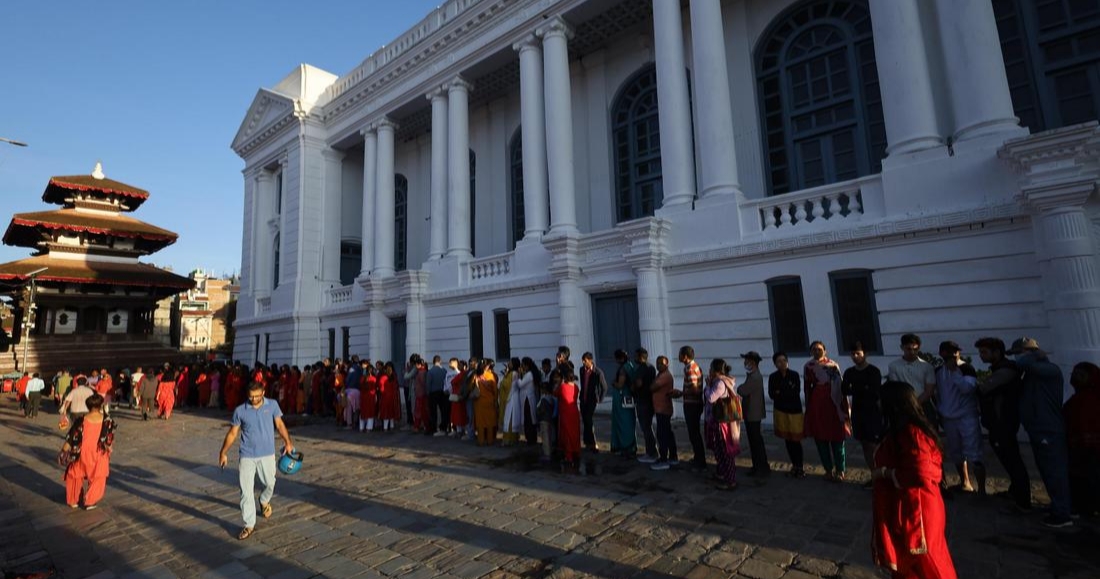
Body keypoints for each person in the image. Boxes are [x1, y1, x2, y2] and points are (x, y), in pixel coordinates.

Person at [871, 381, 957, 579]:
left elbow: (922, 472)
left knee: (929, 564)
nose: (877, 404)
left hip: (916, 509)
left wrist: (885, 473)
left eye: (880, 400)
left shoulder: (913, 433)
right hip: (904, 504)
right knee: (910, 567)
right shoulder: (901, 429)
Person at [218, 382, 295, 541]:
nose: (254, 399)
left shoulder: (272, 405)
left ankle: (264, 500)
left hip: (267, 454)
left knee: (270, 483)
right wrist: (223, 452)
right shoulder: (240, 410)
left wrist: (287, 442)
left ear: (263, 393)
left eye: (257, 396)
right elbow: (233, 433)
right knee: (245, 491)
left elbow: (279, 424)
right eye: (251, 396)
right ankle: (249, 524)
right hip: (247, 455)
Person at [1010, 337, 1073, 528]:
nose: (1016, 358)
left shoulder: (1048, 370)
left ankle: (1063, 513)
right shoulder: (1034, 373)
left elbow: (1022, 363)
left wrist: (1034, 354)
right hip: (1038, 429)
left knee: (1055, 471)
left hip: (1048, 429)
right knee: (1047, 469)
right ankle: (1059, 506)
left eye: (1018, 353)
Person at [974, 337, 1031, 512]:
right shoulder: (1001, 369)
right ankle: (1016, 492)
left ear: (996, 353)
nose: (981, 356)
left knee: (1013, 461)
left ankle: (1023, 502)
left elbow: (984, 389)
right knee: (1009, 460)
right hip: (998, 422)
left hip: (1003, 422)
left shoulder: (1006, 371)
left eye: (984, 352)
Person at [934, 341, 985, 495]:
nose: (953, 355)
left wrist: (955, 372)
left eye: (956, 352)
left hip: (966, 417)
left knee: (974, 454)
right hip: (949, 418)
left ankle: (982, 491)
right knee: (956, 453)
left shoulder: (966, 368)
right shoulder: (938, 371)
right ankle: (965, 482)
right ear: (942, 354)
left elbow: (967, 389)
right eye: (949, 352)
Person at [60, 393, 117, 510]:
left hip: (81, 452)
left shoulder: (80, 421)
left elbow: (71, 438)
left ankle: (73, 500)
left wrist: (63, 451)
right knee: (98, 478)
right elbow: (110, 439)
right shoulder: (108, 421)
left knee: (74, 476)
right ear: (101, 405)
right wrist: (109, 448)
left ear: (88, 406)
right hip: (99, 453)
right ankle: (90, 501)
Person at [804, 341, 850, 481]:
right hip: (817, 403)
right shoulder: (808, 366)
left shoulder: (832, 365)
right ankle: (828, 469)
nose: (817, 352)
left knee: (837, 437)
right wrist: (808, 406)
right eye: (814, 349)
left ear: (825, 350)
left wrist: (844, 407)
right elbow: (807, 387)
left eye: (819, 349)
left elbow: (840, 386)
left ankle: (840, 469)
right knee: (820, 438)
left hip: (833, 402)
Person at [842, 342, 883, 487]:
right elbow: (845, 390)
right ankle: (874, 474)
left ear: (865, 354)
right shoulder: (849, 372)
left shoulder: (873, 371)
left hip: (872, 411)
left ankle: (882, 474)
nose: (855, 356)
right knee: (865, 444)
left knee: (875, 445)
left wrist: (858, 389)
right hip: (858, 411)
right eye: (853, 354)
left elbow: (874, 391)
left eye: (858, 353)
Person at [1066, 362, 1100, 517]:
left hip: (1087, 448)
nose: (1076, 378)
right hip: (1079, 446)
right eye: (1075, 374)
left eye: (1081, 375)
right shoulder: (1080, 398)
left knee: (1086, 477)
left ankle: (1085, 507)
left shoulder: (1090, 399)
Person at [705, 359, 741, 491]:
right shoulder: (722, 381)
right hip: (718, 421)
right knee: (719, 450)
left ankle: (731, 481)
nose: (709, 371)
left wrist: (708, 386)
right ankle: (722, 473)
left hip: (722, 423)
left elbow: (711, 398)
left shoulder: (720, 383)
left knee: (725, 452)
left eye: (711, 368)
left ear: (717, 370)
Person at [887, 334, 937, 426]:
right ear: (902, 347)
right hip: (903, 406)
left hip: (923, 405)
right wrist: (908, 405)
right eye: (909, 349)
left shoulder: (926, 366)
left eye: (915, 349)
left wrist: (916, 404)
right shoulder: (894, 366)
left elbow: (929, 390)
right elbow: (896, 388)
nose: (912, 352)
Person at [769, 352, 805, 478]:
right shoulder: (773, 377)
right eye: (779, 361)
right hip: (781, 411)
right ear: (775, 364)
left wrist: (780, 392)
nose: (782, 363)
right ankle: (794, 465)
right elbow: (772, 394)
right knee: (787, 440)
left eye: (784, 360)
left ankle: (800, 466)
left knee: (796, 440)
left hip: (794, 411)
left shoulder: (794, 375)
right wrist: (782, 392)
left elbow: (795, 392)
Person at [739, 352, 769, 477]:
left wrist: (740, 388)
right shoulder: (753, 375)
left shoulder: (755, 377)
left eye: (747, 361)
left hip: (753, 412)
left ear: (753, 363)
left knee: (756, 441)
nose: (745, 363)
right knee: (754, 441)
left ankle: (761, 466)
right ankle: (758, 465)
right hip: (751, 412)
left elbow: (743, 390)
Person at [678, 346, 706, 471]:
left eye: (680, 354)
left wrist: (681, 393)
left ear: (685, 356)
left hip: (692, 404)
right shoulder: (694, 367)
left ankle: (700, 461)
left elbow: (694, 390)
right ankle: (698, 458)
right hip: (694, 403)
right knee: (694, 433)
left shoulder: (690, 369)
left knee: (694, 433)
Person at [650, 355, 678, 471]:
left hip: (663, 409)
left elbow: (652, 387)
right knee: (667, 433)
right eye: (657, 363)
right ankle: (672, 457)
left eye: (661, 363)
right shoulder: (660, 375)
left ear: (667, 364)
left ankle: (664, 459)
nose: (658, 365)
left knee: (662, 435)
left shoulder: (665, 376)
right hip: (660, 408)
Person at [610, 349, 638, 458]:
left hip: (622, 397)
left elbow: (620, 384)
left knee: (622, 422)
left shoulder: (623, 369)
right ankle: (630, 445)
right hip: (628, 397)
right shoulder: (630, 366)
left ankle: (625, 446)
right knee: (629, 421)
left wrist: (614, 383)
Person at [633, 348, 659, 463]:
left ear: (640, 357)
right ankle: (652, 451)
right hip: (650, 400)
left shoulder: (642, 369)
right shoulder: (651, 367)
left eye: (636, 356)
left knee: (646, 428)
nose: (634, 358)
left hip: (642, 401)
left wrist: (633, 387)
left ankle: (651, 452)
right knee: (649, 427)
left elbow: (638, 384)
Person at [578, 352, 607, 453]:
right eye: (583, 360)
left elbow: (604, 387)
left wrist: (600, 399)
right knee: (585, 421)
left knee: (589, 420)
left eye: (585, 360)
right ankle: (587, 442)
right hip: (583, 399)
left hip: (592, 400)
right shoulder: (582, 370)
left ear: (590, 361)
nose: (583, 362)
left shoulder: (597, 372)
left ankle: (593, 443)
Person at [556, 362, 581, 470]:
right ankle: (576, 452)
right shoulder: (576, 387)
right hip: (574, 411)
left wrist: (559, 382)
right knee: (575, 433)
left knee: (567, 434)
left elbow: (555, 393)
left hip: (566, 412)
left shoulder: (562, 387)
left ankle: (569, 456)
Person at [473, 360, 499, 446]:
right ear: (486, 367)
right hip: (489, 401)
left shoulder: (476, 376)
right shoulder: (490, 375)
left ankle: (480, 441)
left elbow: (471, 387)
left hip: (478, 402)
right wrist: (495, 400)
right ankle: (490, 441)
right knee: (490, 423)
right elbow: (495, 390)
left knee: (480, 423)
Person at [427, 355, 449, 436]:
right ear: (440, 361)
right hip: (443, 393)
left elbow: (428, 384)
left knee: (433, 411)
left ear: (433, 362)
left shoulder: (430, 371)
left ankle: (433, 428)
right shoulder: (444, 371)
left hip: (433, 393)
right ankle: (443, 427)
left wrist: (428, 393)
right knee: (443, 411)